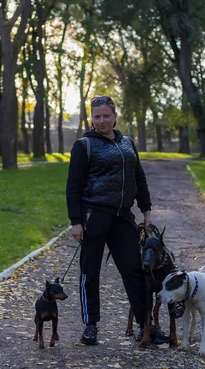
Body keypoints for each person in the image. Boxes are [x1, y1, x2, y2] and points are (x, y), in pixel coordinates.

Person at [66, 95, 167, 345]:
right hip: (95, 214)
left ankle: (145, 325)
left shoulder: (127, 143)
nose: (102, 120)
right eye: (97, 116)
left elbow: (139, 178)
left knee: (135, 270)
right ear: (91, 118)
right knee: (90, 271)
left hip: (124, 216)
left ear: (115, 116)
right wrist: (76, 221)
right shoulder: (84, 145)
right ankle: (91, 325)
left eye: (106, 115)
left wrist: (146, 210)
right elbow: (73, 186)